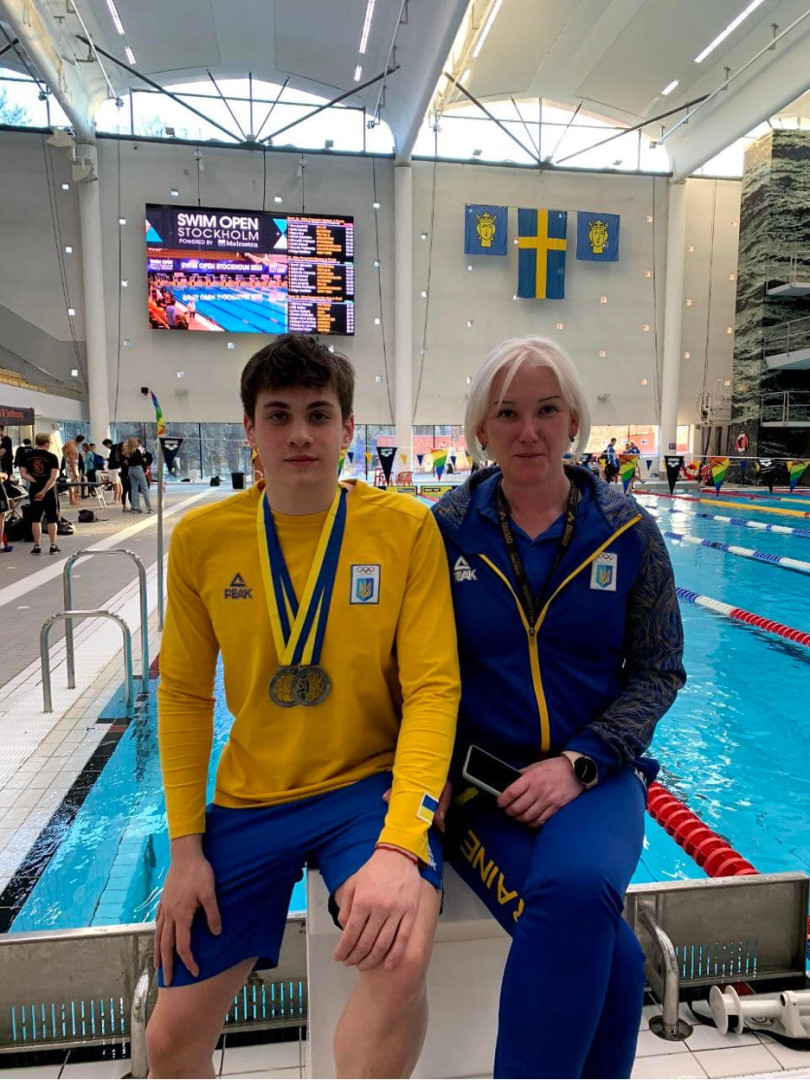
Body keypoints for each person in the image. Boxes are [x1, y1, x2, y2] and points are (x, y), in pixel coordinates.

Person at [146, 333, 459, 1079]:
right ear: (249, 430)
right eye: (278, 415)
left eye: (318, 414)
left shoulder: (405, 528)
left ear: (348, 429)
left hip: (365, 788)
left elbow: (433, 689)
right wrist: (185, 850)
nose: (298, 434)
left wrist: (401, 843)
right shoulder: (203, 539)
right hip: (252, 797)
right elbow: (184, 694)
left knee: (401, 953)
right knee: (169, 1040)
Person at [432, 337, 686, 1079]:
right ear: (481, 428)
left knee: (577, 888)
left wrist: (580, 761)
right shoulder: (446, 530)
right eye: (507, 414)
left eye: (546, 410)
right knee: (618, 960)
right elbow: (412, 670)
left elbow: (659, 669)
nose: (528, 432)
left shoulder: (628, 531)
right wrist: (427, 771)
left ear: (573, 420)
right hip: (483, 786)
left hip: (595, 776)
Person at [21, 432, 61, 555]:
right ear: (47, 443)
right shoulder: (52, 457)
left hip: (34, 489)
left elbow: (23, 474)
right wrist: (44, 490)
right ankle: (53, 546)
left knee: (35, 518)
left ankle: (37, 546)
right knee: (52, 518)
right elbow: (53, 477)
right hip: (49, 490)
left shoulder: (26, 456)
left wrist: (35, 481)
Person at [123, 438, 152, 513]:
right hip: (138, 469)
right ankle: (149, 508)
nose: (137, 443)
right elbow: (141, 461)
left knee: (134, 489)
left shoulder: (127, 452)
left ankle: (135, 508)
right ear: (134, 443)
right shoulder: (137, 451)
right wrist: (144, 466)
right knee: (145, 488)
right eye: (136, 442)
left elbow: (126, 462)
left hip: (130, 470)